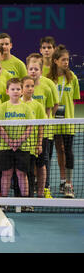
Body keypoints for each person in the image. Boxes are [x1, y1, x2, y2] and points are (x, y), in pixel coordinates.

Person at [47, 45, 80, 198]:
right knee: (55, 151)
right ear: (55, 61)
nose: (66, 62)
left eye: (67, 60)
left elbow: (73, 100)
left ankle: (68, 184)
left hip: (67, 122)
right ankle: (60, 180)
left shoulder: (72, 77)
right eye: (63, 60)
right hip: (52, 123)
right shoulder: (48, 79)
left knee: (68, 151)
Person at [0, 78, 33, 198]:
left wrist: (19, 141)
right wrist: (10, 142)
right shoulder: (2, 107)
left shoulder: (26, 108)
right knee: (6, 174)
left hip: (23, 147)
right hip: (6, 147)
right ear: (7, 91)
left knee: (22, 174)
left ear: (22, 91)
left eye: (18, 89)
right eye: (12, 89)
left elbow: (30, 127)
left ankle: (25, 203)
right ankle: (5, 202)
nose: (15, 91)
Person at [27, 53, 58, 198]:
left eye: (36, 69)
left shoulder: (46, 87)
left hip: (43, 133)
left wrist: (43, 126)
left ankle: (44, 190)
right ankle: (31, 189)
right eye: (30, 69)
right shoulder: (24, 85)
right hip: (27, 135)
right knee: (30, 164)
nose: (33, 71)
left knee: (42, 163)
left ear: (40, 71)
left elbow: (49, 109)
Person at [21, 76, 47, 199]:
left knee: (31, 173)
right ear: (21, 88)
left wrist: (39, 144)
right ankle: (21, 200)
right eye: (27, 86)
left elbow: (41, 127)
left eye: (32, 86)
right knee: (20, 174)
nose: (30, 89)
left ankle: (30, 200)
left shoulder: (38, 106)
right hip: (18, 146)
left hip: (31, 146)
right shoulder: (15, 104)